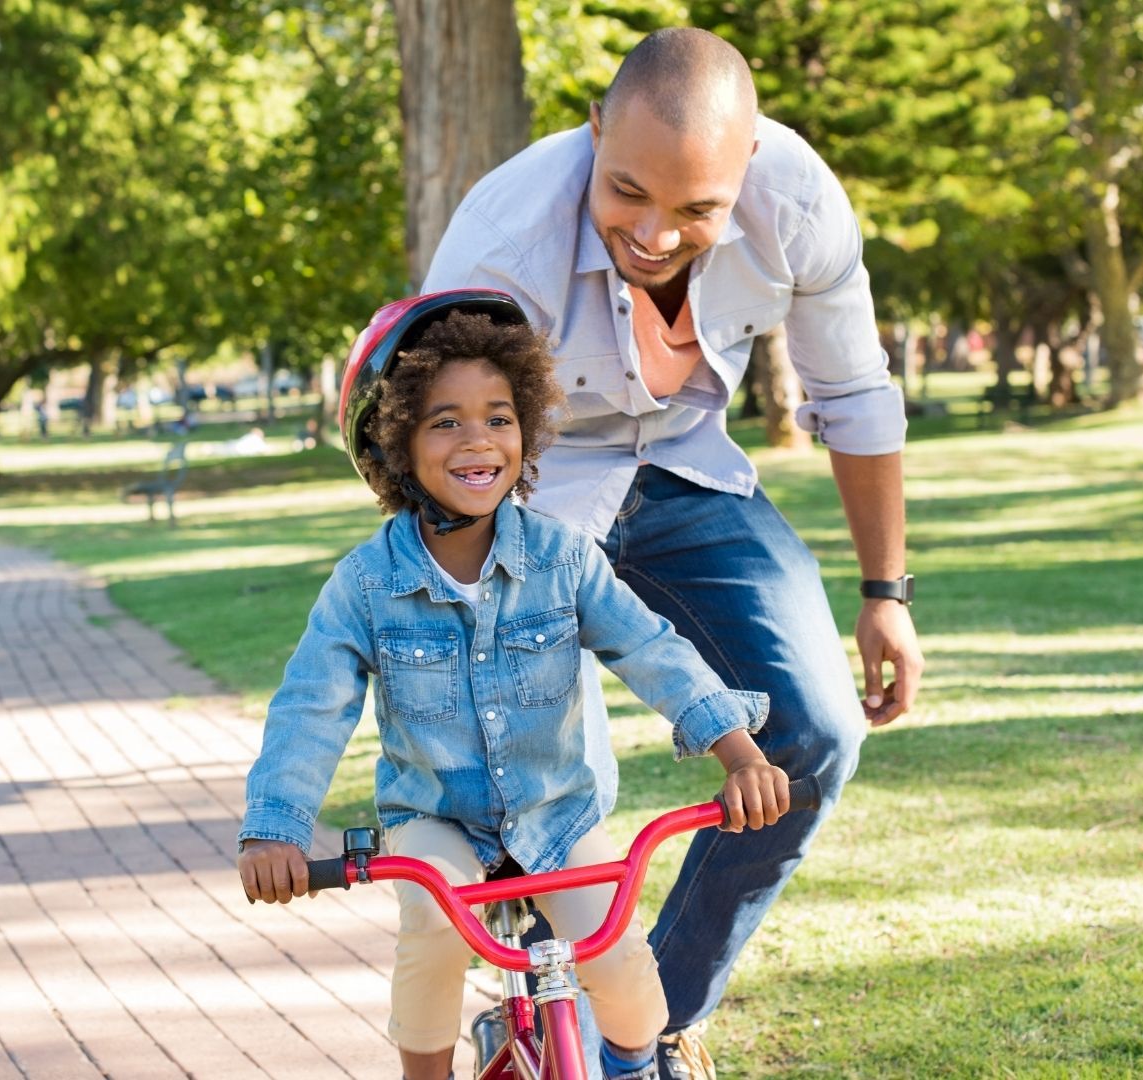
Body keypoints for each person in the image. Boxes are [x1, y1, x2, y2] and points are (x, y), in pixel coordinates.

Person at [420, 27, 926, 1079]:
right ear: (595, 129)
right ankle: (544, 1000)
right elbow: (442, 449)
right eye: (627, 193)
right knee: (545, 782)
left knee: (817, 732)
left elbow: (853, 394)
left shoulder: (798, 204)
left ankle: (640, 1031)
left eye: (696, 210)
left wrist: (885, 592)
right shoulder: (498, 246)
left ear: (745, 169)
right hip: (530, 486)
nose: (653, 234)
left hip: (689, 466)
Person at [236, 292, 790, 1080]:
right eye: (445, 421)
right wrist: (275, 830)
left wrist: (739, 754)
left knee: (624, 968)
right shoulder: (365, 585)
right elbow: (310, 709)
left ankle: (633, 1065)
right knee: (432, 923)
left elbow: (650, 649)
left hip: (555, 813)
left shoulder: (563, 559)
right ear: (393, 444)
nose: (478, 441)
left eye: (499, 417)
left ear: (526, 429)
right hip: (438, 825)